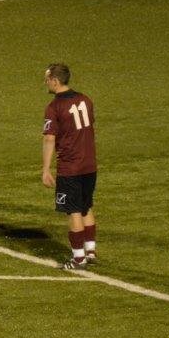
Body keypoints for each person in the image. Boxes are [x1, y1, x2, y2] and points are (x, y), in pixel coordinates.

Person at [41, 63, 98, 270]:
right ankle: (90, 250)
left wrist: (46, 169)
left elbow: (49, 139)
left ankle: (78, 258)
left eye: (47, 79)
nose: (45, 82)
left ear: (55, 81)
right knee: (86, 206)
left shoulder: (54, 107)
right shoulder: (85, 100)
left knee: (73, 211)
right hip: (90, 164)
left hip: (70, 167)